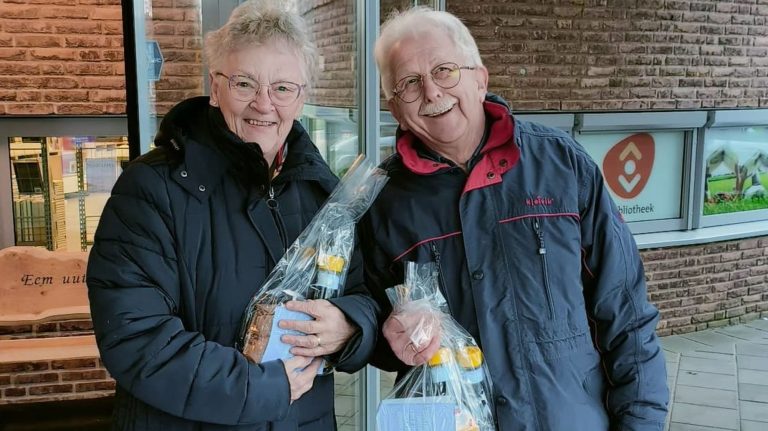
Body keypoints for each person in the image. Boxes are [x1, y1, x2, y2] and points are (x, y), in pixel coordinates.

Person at [360, 6, 669, 431]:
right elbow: (370, 323)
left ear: (480, 78)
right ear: (394, 106)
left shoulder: (562, 165)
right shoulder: (384, 201)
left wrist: (641, 424)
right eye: (409, 83)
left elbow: (626, 314)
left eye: (445, 70)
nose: (432, 92)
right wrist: (385, 335)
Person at [86, 1, 377, 429]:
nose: (263, 104)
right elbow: (135, 337)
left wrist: (350, 326)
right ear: (216, 87)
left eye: (282, 88)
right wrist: (261, 388)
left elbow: (360, 291)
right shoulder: (151, 189)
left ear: (301, 98)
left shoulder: (322, 192)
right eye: (245, 83)